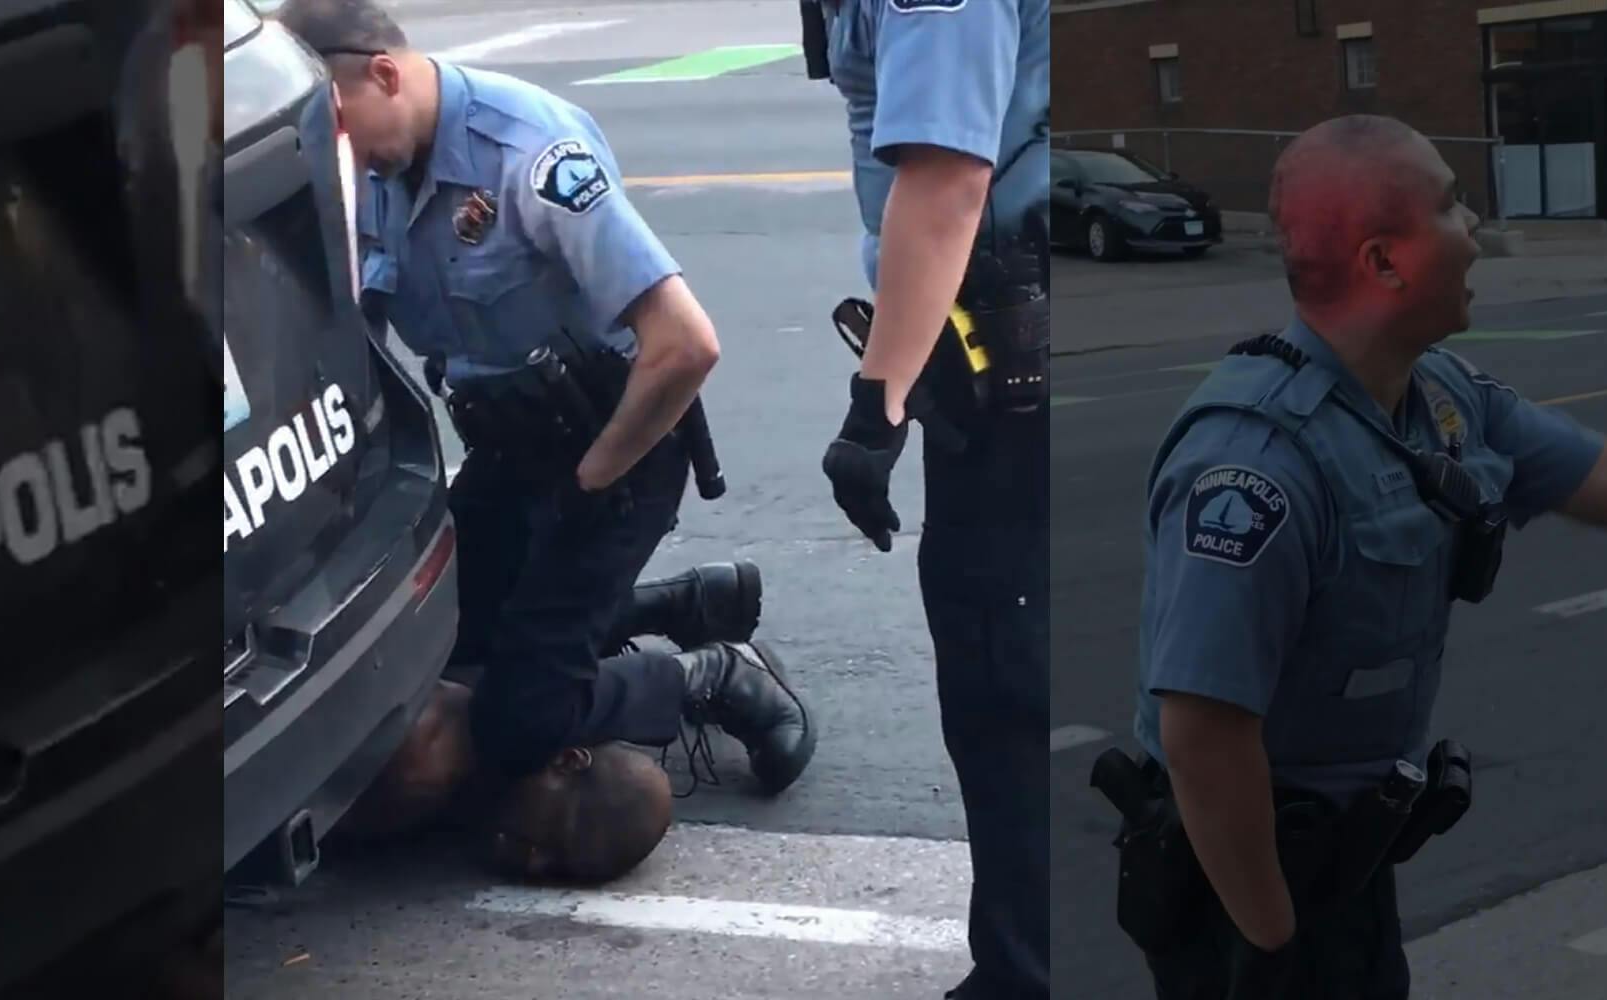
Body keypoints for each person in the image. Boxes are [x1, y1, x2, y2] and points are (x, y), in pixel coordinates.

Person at [1122, 114, 1607, 999]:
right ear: (1385, 261)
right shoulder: (1255, 465)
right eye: (1452, 207)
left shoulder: (1438, 399)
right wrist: (1275, 943)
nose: (1473, 230)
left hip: (1345, 864)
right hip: (1245, 887)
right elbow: (1205, 736)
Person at [271, 0, 817, 800]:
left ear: (384, 74)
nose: (334, 154)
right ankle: (676, 601)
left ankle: (712, 675)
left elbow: (685, 344)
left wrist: (592, 485)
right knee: (438, 647)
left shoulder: (530, 151)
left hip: (615, 452)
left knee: (518, 720)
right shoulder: (378, 169)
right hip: (509, 449)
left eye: (338, 128)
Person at [804, 1, 1052, 997]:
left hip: (999, 335)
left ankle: (1023, 975)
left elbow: (948, 178)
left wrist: (876, 408)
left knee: (1003, 670)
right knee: (1002, 655)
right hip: (983, 328)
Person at [336, 677, 678, 885]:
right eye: (554, 837)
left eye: (555, 871)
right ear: (566, 761)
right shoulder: (420, 767)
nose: (533, 863)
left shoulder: (474, 794)